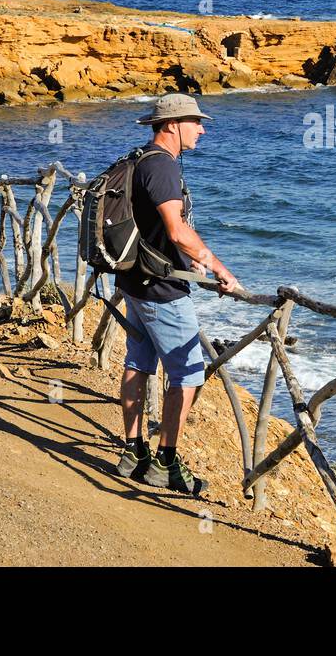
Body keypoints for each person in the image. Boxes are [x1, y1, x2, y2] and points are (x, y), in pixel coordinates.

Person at [114, 93, 238, 496]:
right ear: (172, 125)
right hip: (160, 289)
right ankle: (166, 462)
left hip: (135, 280)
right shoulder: (162, 167)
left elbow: (154, 229)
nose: (202, 129)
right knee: (187, 373)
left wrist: (190, 260)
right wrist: (219, 267)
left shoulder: (140, 159)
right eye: (195, 122)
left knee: (138, 362)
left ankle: (134, 453)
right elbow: (176, 229)